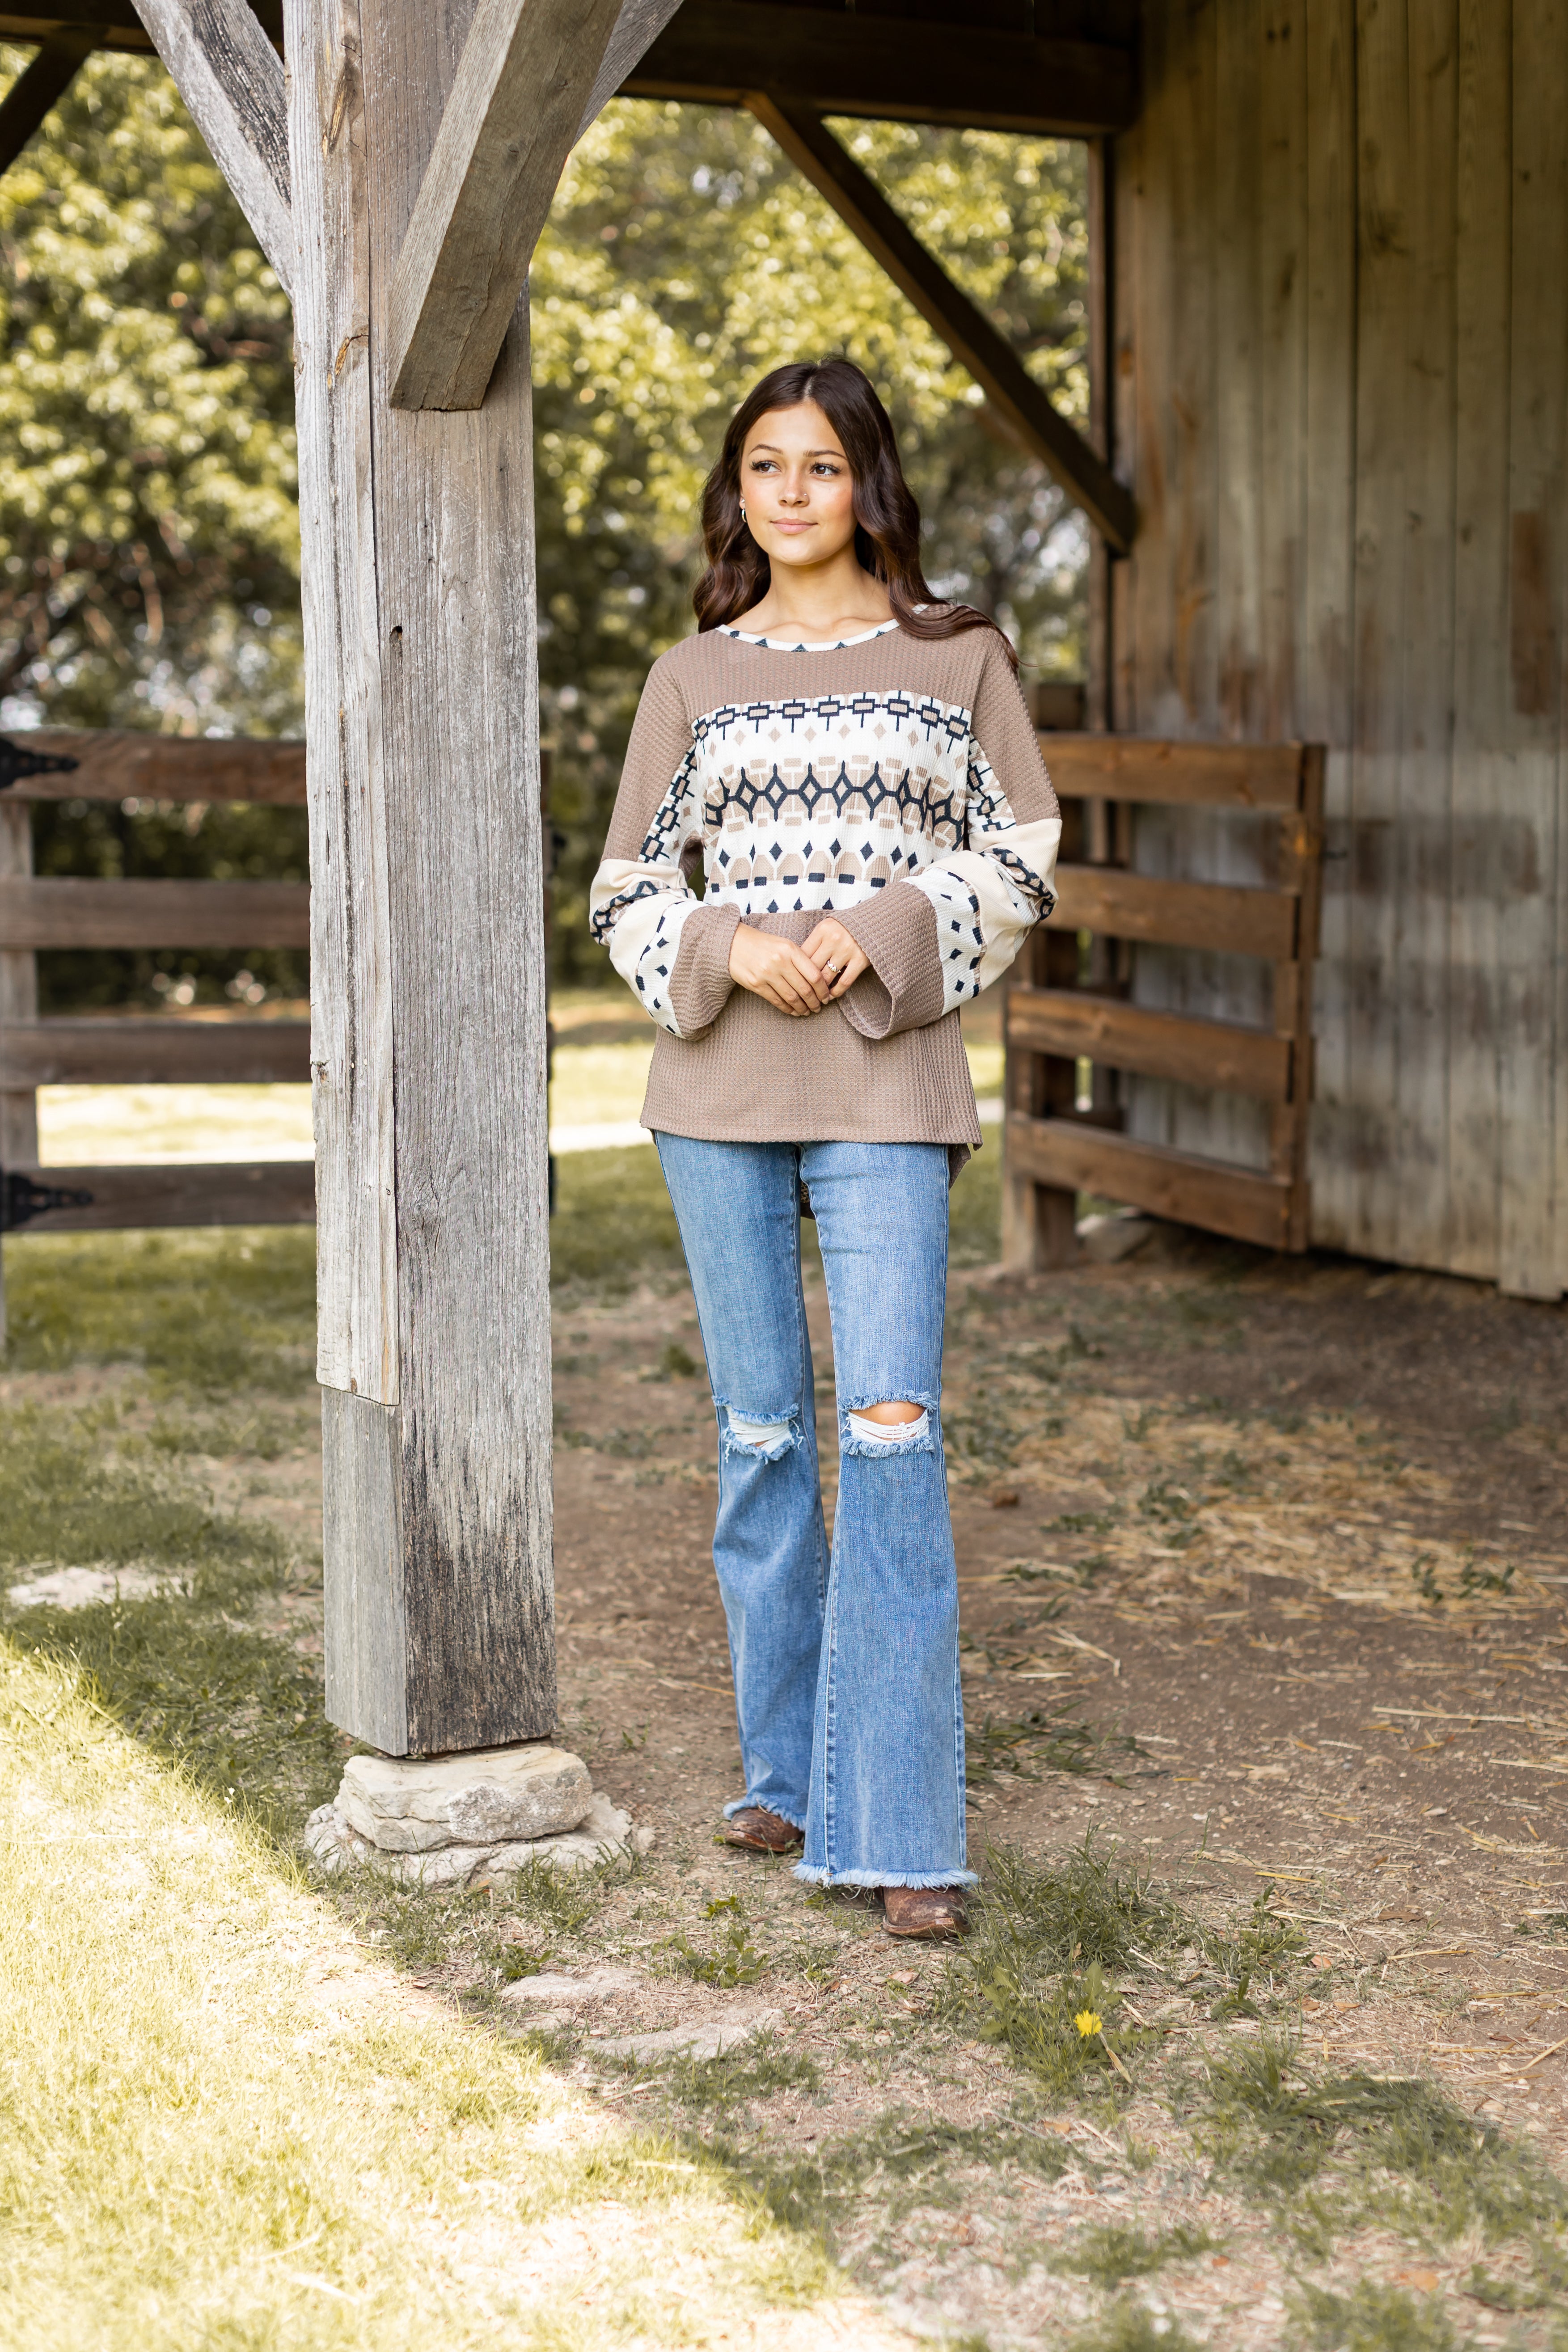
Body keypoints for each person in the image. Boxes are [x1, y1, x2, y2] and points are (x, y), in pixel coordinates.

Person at [589, 358, 1061, 1939]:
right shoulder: (687, 678)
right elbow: (626, 891)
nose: (791, 492)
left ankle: (906, 1829)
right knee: (761, 1439)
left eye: (820, 465)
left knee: (889, 1431)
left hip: (886, 1093)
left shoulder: (959, 657)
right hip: (715, 1095)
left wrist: (866, 934)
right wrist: (732, 947)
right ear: (740, 493)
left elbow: (1025, 852)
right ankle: (782, 1769)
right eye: (764, 467)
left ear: (868, 482)